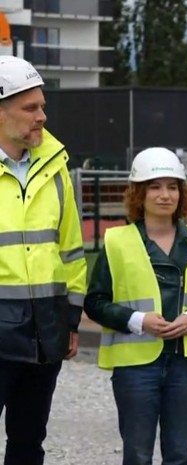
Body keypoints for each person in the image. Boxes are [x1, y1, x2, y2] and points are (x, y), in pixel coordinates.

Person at [84, 147, 187, 465]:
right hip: (136, 366)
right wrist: (138, 320)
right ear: (139, 193)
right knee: (137, 454)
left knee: (180, 454)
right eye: (155, 187)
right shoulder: (117, 242)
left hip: (186, 364)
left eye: (173, 187)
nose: (165, 195)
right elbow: (95, 302)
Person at [0, 56, 86, 465]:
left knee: (29, 442)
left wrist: (71, 320)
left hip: (44, 331)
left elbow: (71, 250)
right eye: (30, 107)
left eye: (43, 106)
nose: (42, 116)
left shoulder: (55, 167)